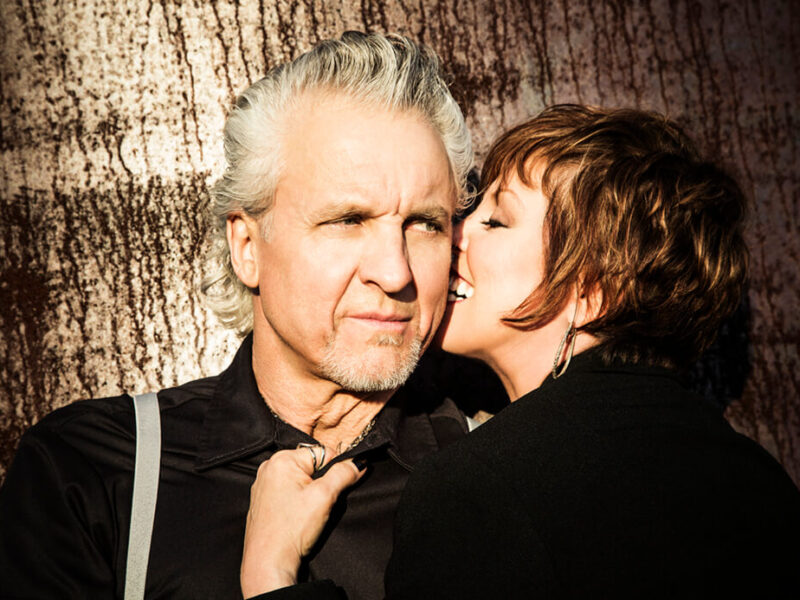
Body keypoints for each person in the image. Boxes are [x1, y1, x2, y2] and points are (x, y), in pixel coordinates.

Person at [241, 105, 800, 599]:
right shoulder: (760, 482)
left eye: (497, 220)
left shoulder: (480, 489)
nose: (455, 233)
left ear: (592, 291)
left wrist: (272, 575)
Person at [0, 32, 474, 600]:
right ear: (247, 247)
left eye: (425, 224)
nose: (395, 273)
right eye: (348, 220)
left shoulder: (497, 478)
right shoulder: (92, 473)